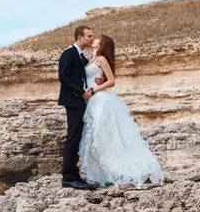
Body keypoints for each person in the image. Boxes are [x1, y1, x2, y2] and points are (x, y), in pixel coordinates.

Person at [79, 34, 164, 187]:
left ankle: (119, 172)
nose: (94, 39)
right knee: (97, 138)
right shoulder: (91, 59)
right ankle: (106, 173)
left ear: (102, 44)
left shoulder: (102, 59)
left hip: (100, 100)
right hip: (92, 102)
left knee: (104, 137)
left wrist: (94, 90)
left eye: (97, 38)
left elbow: (111, 81)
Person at [58, 25, 101, 190]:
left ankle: (74, 174)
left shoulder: (78, 55)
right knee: (73, 137)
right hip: (73, 101)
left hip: (80, 101)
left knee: (77, 137)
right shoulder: (68, 53)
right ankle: (68, 178)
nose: (92, 38)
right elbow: (64, 77)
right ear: (79, 37)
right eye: (89, 36)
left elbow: (87, 70)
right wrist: (80, 93)